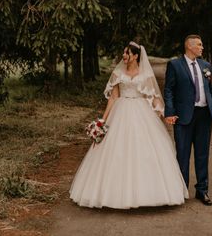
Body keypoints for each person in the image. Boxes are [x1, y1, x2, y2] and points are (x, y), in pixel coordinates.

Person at [69, 42, 188, 209]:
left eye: (127, 53)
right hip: (121, 111)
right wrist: (103, 120)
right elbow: (113, 97)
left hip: (141, 112)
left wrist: (165, 114)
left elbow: (154, 98)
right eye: (123, 53)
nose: (124, 56)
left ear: (136, 55)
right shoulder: (118, 73)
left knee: (146, 150)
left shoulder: (145, 74)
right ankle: (112, 194)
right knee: (114, 150)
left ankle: (148, 194)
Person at [164, 35, 212, 206]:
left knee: (202, 154)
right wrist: (170, 112)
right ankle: (181, 190)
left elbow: (210, 88)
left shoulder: (206, 65)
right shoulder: (175, 65)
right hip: (184, 116)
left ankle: (202, 191)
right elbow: (169, 90)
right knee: (182, 154)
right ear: (189, 46)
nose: (202, 47)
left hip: (204, 115)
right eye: (199, 44)